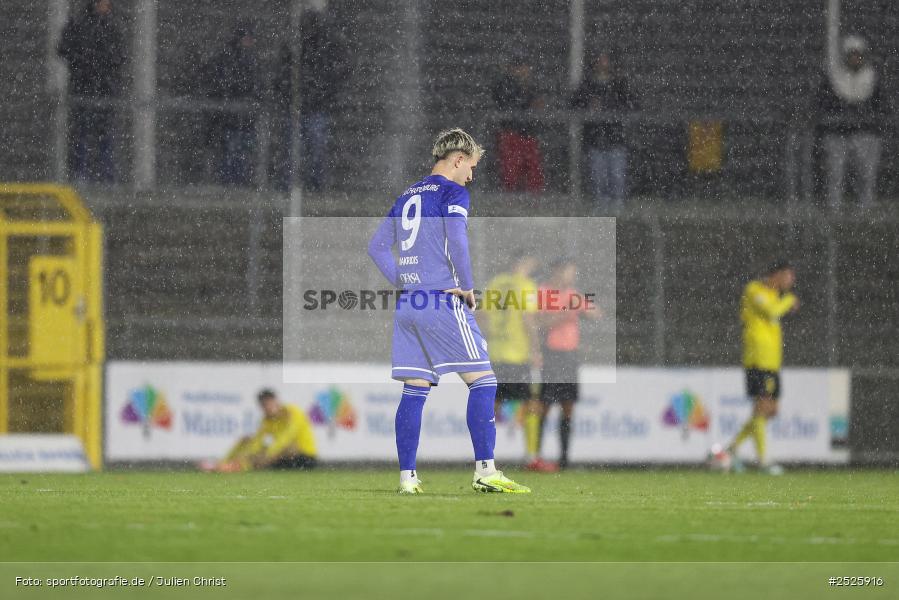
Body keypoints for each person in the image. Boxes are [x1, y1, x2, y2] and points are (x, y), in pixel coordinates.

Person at [368, 128, 531, 494]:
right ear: (458, 159)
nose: (471, 175)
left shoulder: (408, 194)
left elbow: (377, 247)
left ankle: (407, 479)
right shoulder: (452, 192)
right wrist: (468, 286)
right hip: (441, 299)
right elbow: (457, 238)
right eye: (471, 166)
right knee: (484, 381)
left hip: (410, 304)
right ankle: (485, 471)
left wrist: (405, 282)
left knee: (414, 390)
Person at [721, 261, 799, 475]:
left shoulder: (774, 295)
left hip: (772, 361)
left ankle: (732, 448)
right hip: (757, 358)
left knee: (771, 410)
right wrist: (789, 300)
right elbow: (772, 312)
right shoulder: (755, 290)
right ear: (777, 275)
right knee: (762, 405)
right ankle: (763, 460)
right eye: (788, 277)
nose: (790, 282)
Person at [482, 254, 553, 472]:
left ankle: (484, 457)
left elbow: (480, 315)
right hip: (517, 354)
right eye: (530, 263)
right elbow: (528, 320)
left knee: (490, 406)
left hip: (495, 354)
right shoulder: (526, 286)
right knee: (530, 404)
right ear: (523, 264)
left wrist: (490, 337)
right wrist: (535, 350)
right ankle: (532, 457)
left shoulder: (495, 284)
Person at [273, 9, 348, 191]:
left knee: (313, 148)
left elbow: (332, 74)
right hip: (300, 106)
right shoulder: (295, 48)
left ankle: (313, 184)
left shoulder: (322, 48)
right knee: (296, 149)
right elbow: (283, 75)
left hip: (314, 106)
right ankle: (293, 184)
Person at [536, 258, 599, 470]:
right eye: (568, 272)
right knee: (545, 406)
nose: (571, 276)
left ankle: (564, 460)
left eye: (573, 272)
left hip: (570, 356)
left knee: (568, 406)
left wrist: (584, 309)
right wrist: (563, 315)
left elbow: (596, 313)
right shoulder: (544, 292)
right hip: (551, 354)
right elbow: (539, 322)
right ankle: (536, 457)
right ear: (557, 271)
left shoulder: (573, 295)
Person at [57, 0, 125, 182]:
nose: (105, 6)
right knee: (83, 133)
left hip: (102, 90)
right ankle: (84, 174)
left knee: (103, 135)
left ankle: (105, 175)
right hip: (86, 89)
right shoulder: (81, 25)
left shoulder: (109, 28)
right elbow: (64, 49)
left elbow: (119, 56)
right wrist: (86, 65)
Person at [815, 35, 886, 210]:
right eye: (851, 55)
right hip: (837, 134)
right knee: (835, 175)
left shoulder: (872, 79)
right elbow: (824, 105)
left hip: (865, 134)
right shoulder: (834, 80)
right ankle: (834, 211)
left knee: (866, 174)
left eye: (858, 55)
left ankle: (865, 210)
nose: (855, 59)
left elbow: (881, 107)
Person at [571, 53, 638, 211]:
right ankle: (601, 205)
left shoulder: (619, 84)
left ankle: (617, 206)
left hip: (615, 138)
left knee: (616, 177)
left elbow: (632, 104)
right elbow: (575, 104)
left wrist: (610, 107)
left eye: (606, 61)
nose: (603, 64)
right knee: (598, 177)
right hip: (595, 138)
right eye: (600, 61)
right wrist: (588, 106)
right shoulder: (587, 85)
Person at [200, 23, 260, 186]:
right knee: (231, 152)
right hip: (231, 118)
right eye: (246, 39)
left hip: (244, 118)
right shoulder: (229, 59)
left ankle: (239, 183)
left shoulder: (249, 61)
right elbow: (224, 85)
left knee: (243, 152)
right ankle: (230, 184)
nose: (249, 42)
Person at [201, 389, 317, 472]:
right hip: (283, 459)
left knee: (287, 448)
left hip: (305, 457)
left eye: (269, 404)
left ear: (276, 401)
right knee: (246, 440)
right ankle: (224, 463)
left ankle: (235, 467)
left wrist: (267, 455)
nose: (268, 408)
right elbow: (258, 441)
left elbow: (285, 438)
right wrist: (248, 454)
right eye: (264, 406)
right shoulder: (267, 420)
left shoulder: (292, 412)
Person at [492, 58, 545, 192]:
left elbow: (536, 105)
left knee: (533, 173)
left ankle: (532, 202)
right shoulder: (505, 84)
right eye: (520, 67)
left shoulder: (531, 85)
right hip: (511, 134)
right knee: (511, 174)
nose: (523, 71)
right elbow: (509, 103)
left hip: (528, 133)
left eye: (525, 67)